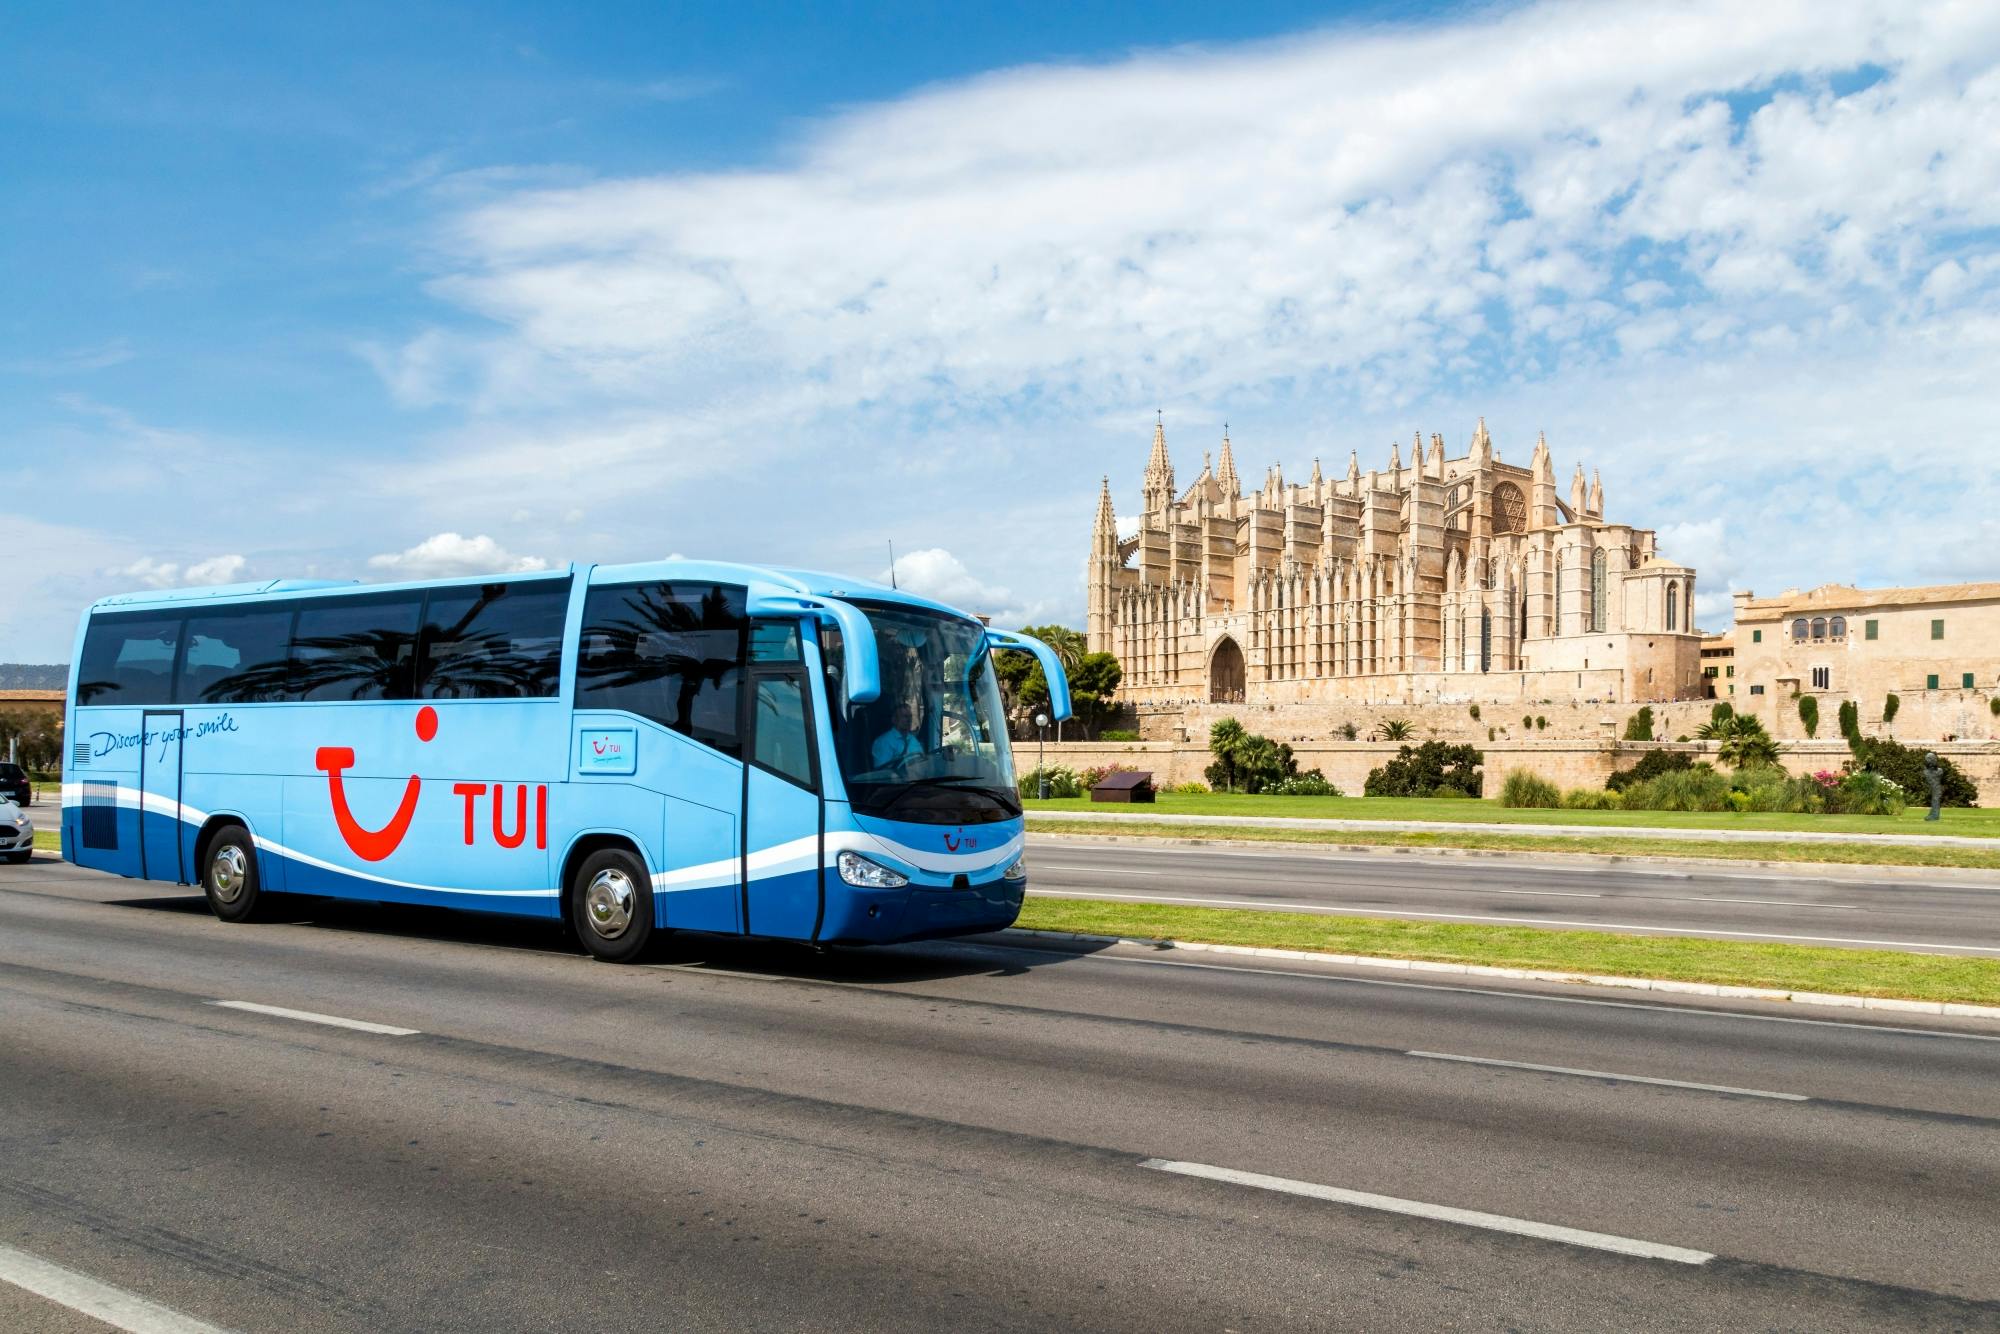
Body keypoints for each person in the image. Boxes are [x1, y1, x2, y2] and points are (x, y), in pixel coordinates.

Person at [871, 703, 925, 769]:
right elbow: (882, 772)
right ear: (894, 720)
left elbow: (923, 761)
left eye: (910, 716)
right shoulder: (883, 742)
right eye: (905, 716)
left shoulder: (913, 739)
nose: (909, 720)